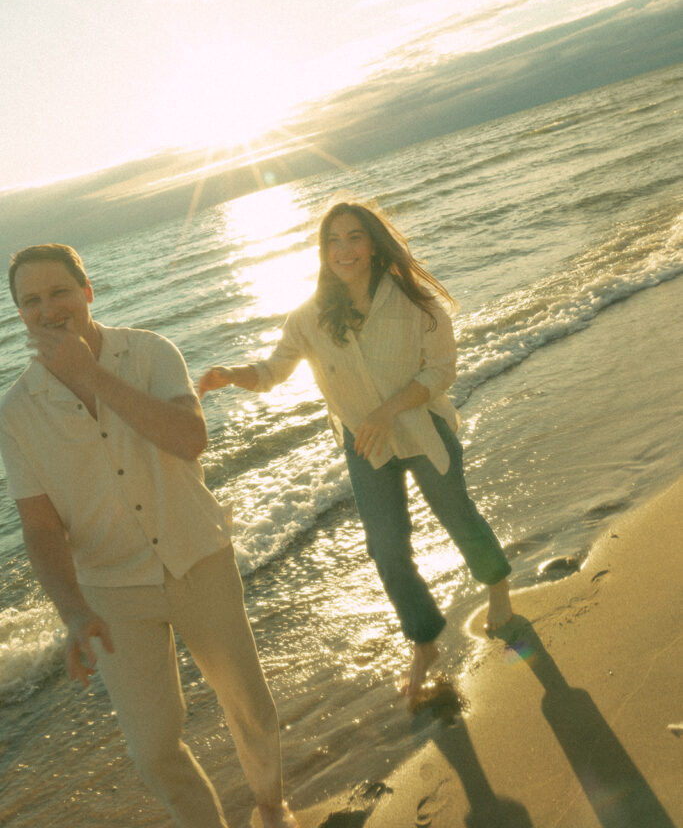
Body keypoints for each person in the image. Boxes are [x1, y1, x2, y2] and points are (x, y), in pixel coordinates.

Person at [0, 244, 298, 828]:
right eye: (30, 301)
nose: (48, 309)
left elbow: (190, 438)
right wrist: (72, 612)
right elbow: (39, 527)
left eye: (59, 291)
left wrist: (93, 376)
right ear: (20, 315)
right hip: (112, 591)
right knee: (152, 747)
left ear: (87, 292)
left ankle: (270, 805)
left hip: (197, 556)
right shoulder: (16, 411)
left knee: (251, 710)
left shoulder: (153, 352)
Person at [198, 201, 513, 698]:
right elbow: (275, 371)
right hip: (365, 445)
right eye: (332, 241)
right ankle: (425, 639)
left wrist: (387, 410)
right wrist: (234, 375)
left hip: (422, 429)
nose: (343, 250)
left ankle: (497, 587)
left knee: (458, 516)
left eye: (354, 237)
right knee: (386, 546)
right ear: (322, 251)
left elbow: (441, 371)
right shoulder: (308, 317)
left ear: (372, 243)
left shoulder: (416, 302)